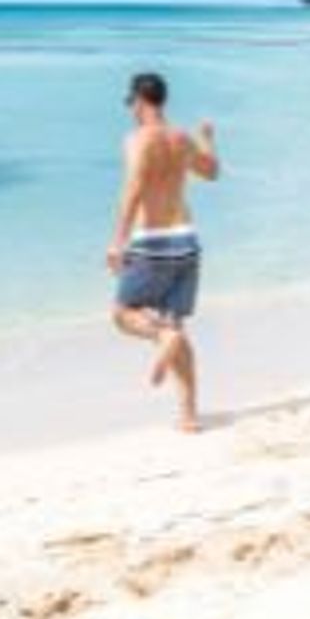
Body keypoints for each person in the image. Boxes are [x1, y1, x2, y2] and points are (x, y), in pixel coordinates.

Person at [105, 71, 220, 432]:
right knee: (176, 326)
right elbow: (212, 172)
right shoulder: (182, 139)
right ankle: (188, 415)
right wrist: (206, 140)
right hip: (186, 241)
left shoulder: (138, 139)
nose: (131, 110)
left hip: (152, 241)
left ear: (139, 102)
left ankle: (162, 338)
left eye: (131, 104)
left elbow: (135, 187)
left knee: (123, 315)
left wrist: (117, 241)